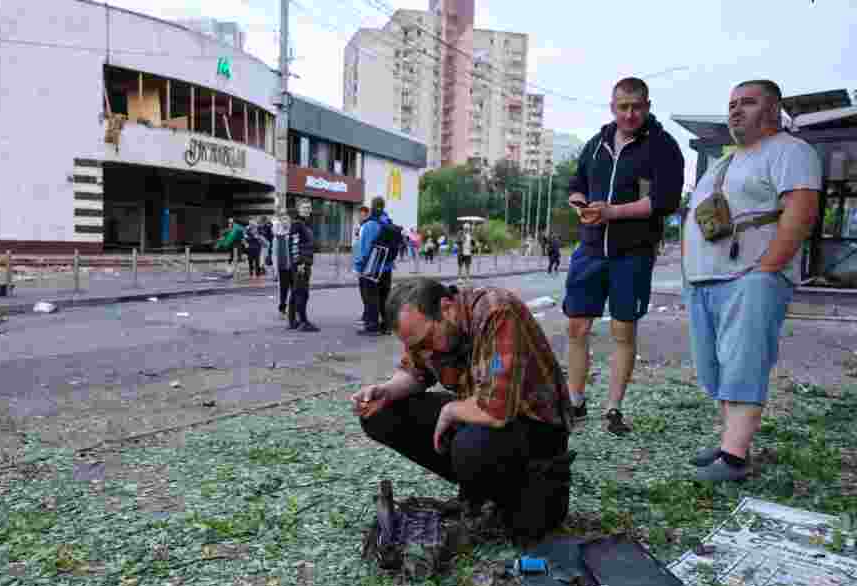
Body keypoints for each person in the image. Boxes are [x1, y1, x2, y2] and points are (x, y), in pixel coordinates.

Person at [351, 278, 575, 541]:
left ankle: (509, 491)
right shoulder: (428, 329)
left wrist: (451, 411)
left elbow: (496, 409)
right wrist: (387, 391)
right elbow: (415, 372)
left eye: (426, 340)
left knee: (474, 450)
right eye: (416, 346)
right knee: (380, 414)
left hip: (535, 428)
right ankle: (479, 490)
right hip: (482, 418)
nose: (425, 350)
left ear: (446, 308)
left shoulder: (497, 312)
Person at [684, 80, 821, 482]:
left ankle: (735, 456)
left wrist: (767, 269)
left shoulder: (790, 150)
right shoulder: (726, 161)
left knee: (744, 363)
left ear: (773, 109)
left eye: (747, 102)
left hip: (750, 277)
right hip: (707, 279)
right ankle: (730, 439)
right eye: (731, 104)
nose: (735, 111)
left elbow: (802, 208)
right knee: (718, 368)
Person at [564, 76, 685, 435]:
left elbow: (664, 201)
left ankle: (613, 409)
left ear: (647, 106)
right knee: (576, 326)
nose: (629, 114)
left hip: (632, 253)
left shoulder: (663, 147)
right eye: (623, 107)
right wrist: (580, 205)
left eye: (636, 107)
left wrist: (612, 212)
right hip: (589, 249)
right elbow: (576, 184)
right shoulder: (596, 143)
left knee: (622, 329)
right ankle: (575, 401)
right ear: (613, 107)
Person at [355, 196, 400, 336]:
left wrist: (358, 266)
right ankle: (386, 326)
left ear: (372, 207)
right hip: (386, 267)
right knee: (384, 296)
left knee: (371, 296)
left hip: (371, 267)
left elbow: (364, 249)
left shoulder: (369, 225)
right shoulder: (388, 222)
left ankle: (372, 326)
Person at [288, 200, 319, 332]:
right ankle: (303, 321)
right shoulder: (297, 224)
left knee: (297, 291)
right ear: (298, 209)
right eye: (304, 208)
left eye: (309, 208)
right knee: (302, 292)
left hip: (305, 262)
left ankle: (293, 321)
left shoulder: (306, 224)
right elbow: (293, 245)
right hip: (301, 264)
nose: (307, 210)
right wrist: (299, 262)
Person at [271, 215, 293, 318]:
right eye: (283, 220)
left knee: (295, 289)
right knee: (283, 290)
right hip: (282, 267)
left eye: (287, 220)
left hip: (293, 267)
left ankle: (294, 310)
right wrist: (275, 269)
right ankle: (282, 309)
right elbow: (274, 254)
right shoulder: (277, 237)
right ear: (280, 222)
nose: (285, 222)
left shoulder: (293, 234)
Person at [353, 206, 371, 323]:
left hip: (364, 265)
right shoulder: (361, 227)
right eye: (359, 215)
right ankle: (367, 313)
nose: (360, 217)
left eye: (362, 215)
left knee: (366, 291)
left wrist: (358, 266)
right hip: (362, 263)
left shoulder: (366, 227)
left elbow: (363, 249)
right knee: (364, 291)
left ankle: (367, 314)